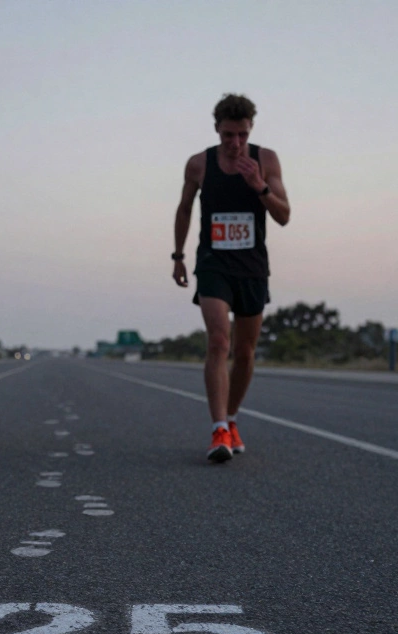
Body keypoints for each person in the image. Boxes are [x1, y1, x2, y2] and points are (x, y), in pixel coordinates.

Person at [172, 94, 291, 463]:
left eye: (241, 135)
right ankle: (218, 428)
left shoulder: (266, 160)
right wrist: (178, 256)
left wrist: (260, 186)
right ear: (216, 130)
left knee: (244, 351)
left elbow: (284, 215)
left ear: (250, 129)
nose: (235, 143)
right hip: (212, 263)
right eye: (227, 135)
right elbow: (185, 208)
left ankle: (234, 418)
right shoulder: (198, 164)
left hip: (252, 266)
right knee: (219, 341)